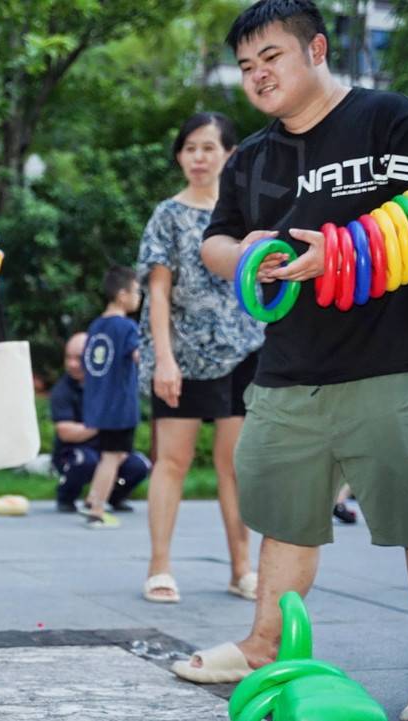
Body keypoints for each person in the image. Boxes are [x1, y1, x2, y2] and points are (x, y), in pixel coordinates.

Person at [173, 4, 408, 720]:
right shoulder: (252, 158)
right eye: (248, 65)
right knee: (285, 519)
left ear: (316, 49)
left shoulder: (390, 119)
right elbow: (215, 242)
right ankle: (265, 642)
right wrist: (249, 253)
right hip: (289, 370)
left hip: (388, 362)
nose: (258, 75)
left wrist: (345, 248)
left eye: (272, 57)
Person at [136, 112, 263, 605]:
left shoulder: (246, 217)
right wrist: (164, 359)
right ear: (179, 156)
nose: (198, 157)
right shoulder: (167, 214)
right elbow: (158, 294)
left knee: (235, 464)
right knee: (172, 461)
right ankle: (159, 567)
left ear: (230, 155)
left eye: (209, 147)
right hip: (183, 353)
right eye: (190, 148)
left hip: (245, 349)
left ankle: (241, 568)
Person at [51, 332, 151, 514]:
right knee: (86, 461)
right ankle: (66, 497)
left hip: (110, 448)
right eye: (68, 358)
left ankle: (114, 496)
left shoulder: (110, 386)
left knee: (139, 465)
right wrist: (102, 424)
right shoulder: (63, 390)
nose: (72, 364)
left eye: (78, 358)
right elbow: (65, 431)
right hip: (74, 451)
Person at [79, 266, 142, 530]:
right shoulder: (127, 327)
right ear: (121, 294)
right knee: (112, 456)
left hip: (99, 402)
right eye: (137, 291)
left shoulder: (96, 326)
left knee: (110, 453)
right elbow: (138, 356)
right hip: (120, 405)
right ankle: (97, 509)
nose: (139, 297)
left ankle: (93, 496)